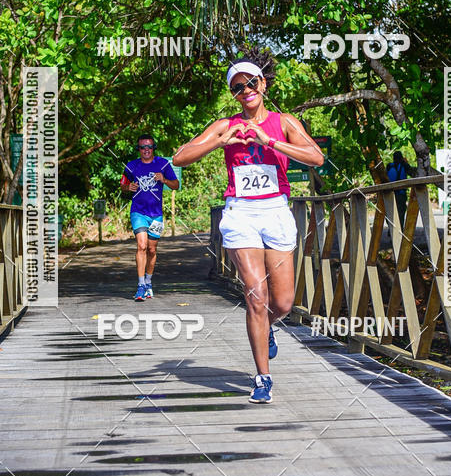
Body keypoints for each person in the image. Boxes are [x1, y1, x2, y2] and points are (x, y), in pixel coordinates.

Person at [172, 51, 324, 403]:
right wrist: (219, 142)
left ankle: (268, 326)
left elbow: (316, 157)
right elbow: (179, 158)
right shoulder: (226, 124)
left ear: (263, 84)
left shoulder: (283, 121)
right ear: (234, 94)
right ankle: (262, 379)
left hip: (275, 210)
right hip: (240, 212)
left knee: (282, 303)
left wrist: (266, 140)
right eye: (238, 87)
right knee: (257, 297)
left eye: (251, 83)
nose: (246, 90)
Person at [121, 134, 179, 301]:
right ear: (138, 149)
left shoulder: (163, 164)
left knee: (152, 250)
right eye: (142, 147)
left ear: (154, 148)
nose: (146, 150)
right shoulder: (132, 166)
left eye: (149, 147)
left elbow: (176, 184)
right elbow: (123, 184)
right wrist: (128, 187)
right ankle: (140, 286)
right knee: (141, 246)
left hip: (156, 215)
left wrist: (164, 179)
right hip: (138, 212)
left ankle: (148, 282)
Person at [386, 150, 409, 226]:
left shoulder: (389, 166)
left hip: (390, 194)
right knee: (401, 213)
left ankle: (391, 228)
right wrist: (406, 162)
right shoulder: (404, 165)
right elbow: (410, 170)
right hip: (400, 194)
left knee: (390, 212)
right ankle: (400, 229)